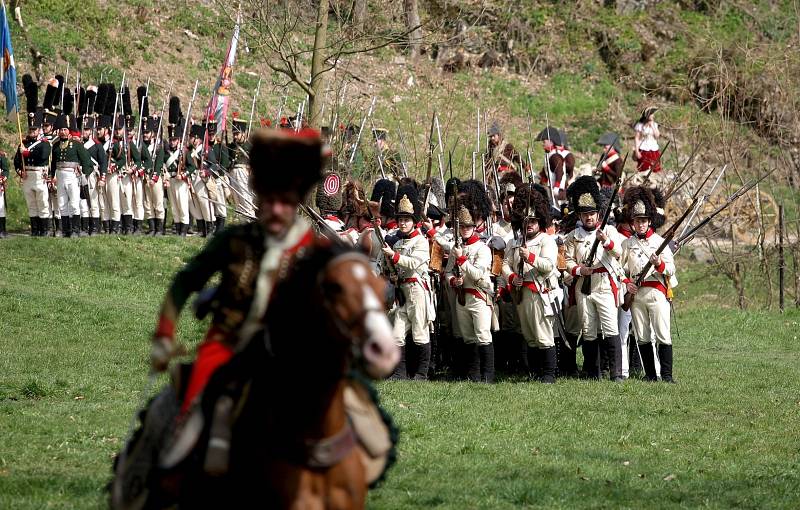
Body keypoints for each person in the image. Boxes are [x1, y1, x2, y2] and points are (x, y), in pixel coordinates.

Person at [151, 127, 327, 413]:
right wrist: (164, 334)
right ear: (258, 197)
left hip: (287, 354)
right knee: (189, 414)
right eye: (269, 200)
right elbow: (184, 282)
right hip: (226, 345)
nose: (277, 210)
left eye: (285, 202)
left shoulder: (314, 250)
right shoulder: (232, 241)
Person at [563, 176, 625, 381]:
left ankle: (615, 373)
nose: (589, 218)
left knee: (610, 328)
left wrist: (606, 242)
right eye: (584, 214)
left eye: (591, 213)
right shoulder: (573, 236)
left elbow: (618, 254)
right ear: (579, 215)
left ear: (598, 213)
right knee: (588, 329)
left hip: (604, 284)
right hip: (583, 285)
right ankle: (592, 372)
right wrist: (580, 270)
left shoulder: (610, 231)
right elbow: (568, 261)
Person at [620, 186, 677, 383]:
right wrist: (627, 283)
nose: (641, 224)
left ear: (649, 221)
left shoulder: (660, 242)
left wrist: (658, 263)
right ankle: (651, 375)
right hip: (637, 294)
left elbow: (670, 270)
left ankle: (667, 376)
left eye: (643, 220)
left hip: (657, 292)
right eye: (637, 221)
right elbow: (620, 270)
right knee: (642, 335)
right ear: (633, 222)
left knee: (662, 334)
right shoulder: (627, 244)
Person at [503, 184, 559, 383]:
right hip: (521, 292)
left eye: (533, 221)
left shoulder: (547, 240)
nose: (530, 225)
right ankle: (535, 372)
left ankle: (549, 374)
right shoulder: (514, 242)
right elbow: (505, 265)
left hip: (539, 292)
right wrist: (511, 278)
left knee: (543, 335)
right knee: (529, 335)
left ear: (540, 221)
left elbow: (549, 266)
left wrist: (531, 257)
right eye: (526, 221)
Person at [382, 184, 434, 380]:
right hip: (402, 291)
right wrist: (392, 271)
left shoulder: (420, 241)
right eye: (401, 220)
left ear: (413, 222)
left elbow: (413, 263)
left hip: (417, 291)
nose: (403, 223)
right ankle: (399, 373)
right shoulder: (396, 242)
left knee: (421, 333)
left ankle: (422, 374)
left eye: (406, 220)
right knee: (397, 334)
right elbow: (391, 268)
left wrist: (394, 257)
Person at [446, 205, 495, 382]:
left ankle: (488, 375)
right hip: (461, 296)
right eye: (462, 227)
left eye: (468, 226)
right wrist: (453, 281)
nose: (465, 230)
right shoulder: (456, 248)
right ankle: (473, 374)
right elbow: (448, 272)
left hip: (478, 295)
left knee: (482, 334)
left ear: (474, 227)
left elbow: (477, 274)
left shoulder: (482, 249)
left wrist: (462, 259)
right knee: (468, 337)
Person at [49, 114, 93, 238]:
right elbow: (53, 163)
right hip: (60, 176)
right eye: (61, 130)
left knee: (74, 203)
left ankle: (75, 230)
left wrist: (84, 174)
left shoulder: (76, 144)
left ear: (69, 130)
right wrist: (51, 176)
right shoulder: (56, 145)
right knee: (62, 204)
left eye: (65, 129)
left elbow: (86, 160)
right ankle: (66, 230)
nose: (62, 132)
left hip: (72, 177)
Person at [633, 107, 661, 174]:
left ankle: (653, 181)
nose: (652, 115)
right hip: (643, 147)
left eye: (653, 114)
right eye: (651, 114)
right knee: (643, 167)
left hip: (653, 148)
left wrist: (653, 126)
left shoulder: (655, 124)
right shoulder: (640, 125)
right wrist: (636, 150)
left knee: (655, 167)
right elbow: (637, 138)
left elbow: (657, 136)